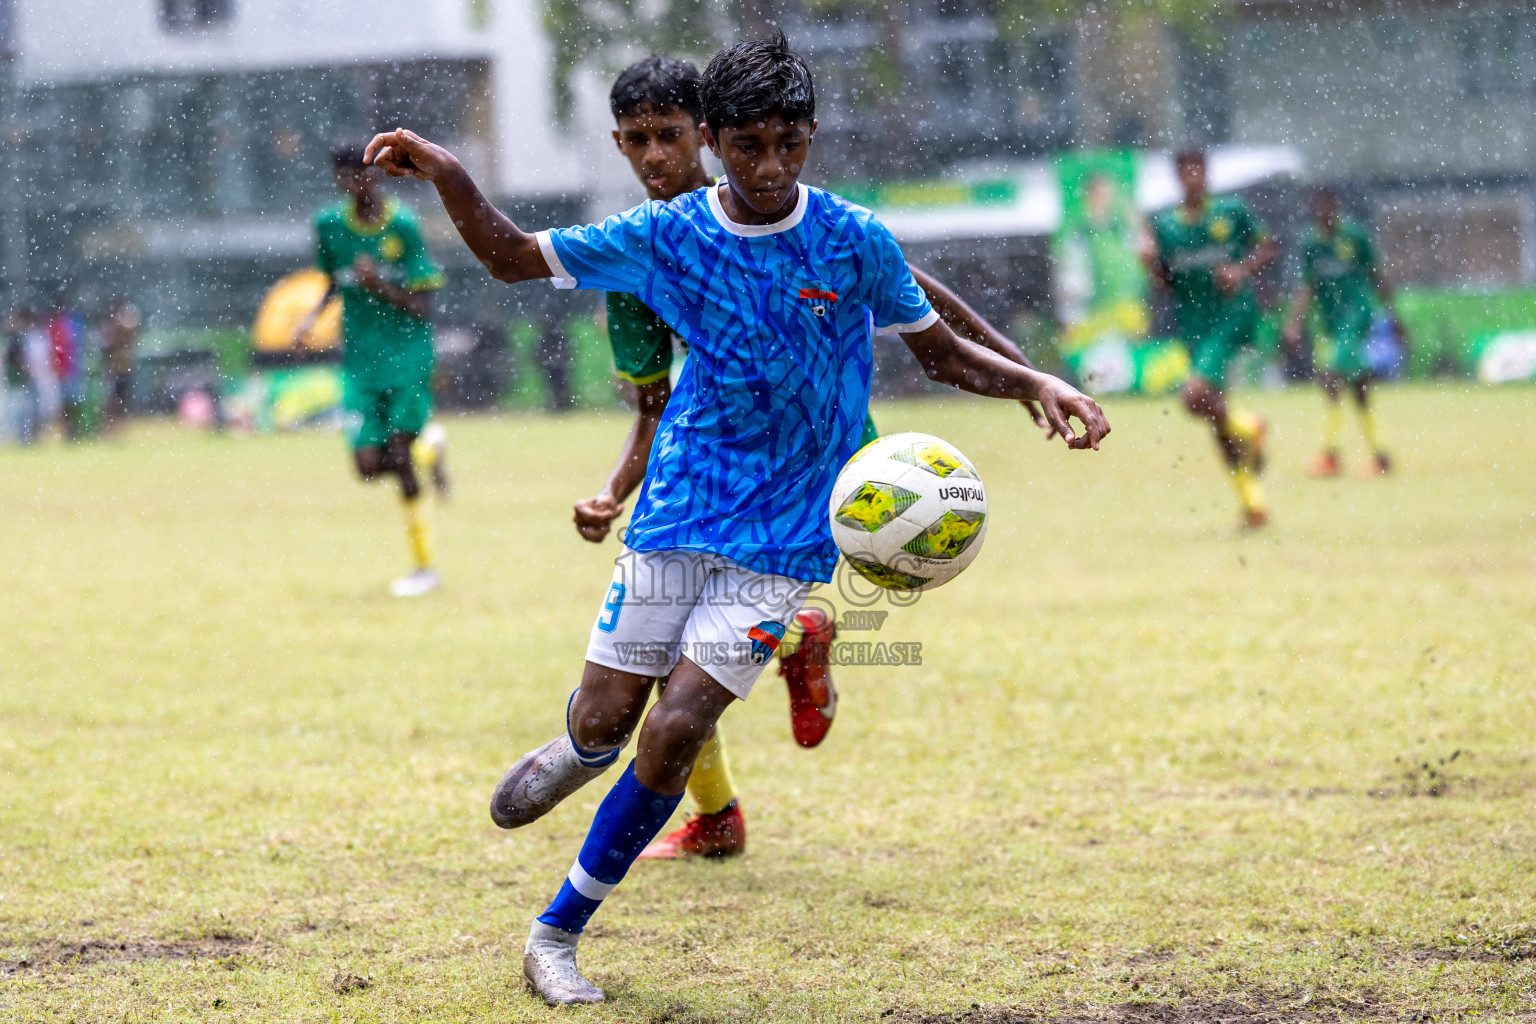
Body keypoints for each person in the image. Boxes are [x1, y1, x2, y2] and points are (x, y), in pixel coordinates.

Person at [365, 31, 1108, 1006]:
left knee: (674, 732)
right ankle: (582, 751)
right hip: (679, 513)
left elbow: (941, 348)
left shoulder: (850, 236)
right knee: (606, 722)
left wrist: (1031, 383)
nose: (771, 167)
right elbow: (508, 257)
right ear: (714, 140)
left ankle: (556, 934)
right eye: (749, 145)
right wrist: (451, 172)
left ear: (809, 137)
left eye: (790, 144)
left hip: (790, 534)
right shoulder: (668, 237)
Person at [580, 55, 1061, 861]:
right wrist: (613, 492)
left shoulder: (804, 222)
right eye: (638, 141)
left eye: (670, 136)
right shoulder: (632, 258)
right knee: (667, 676)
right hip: (721, 481)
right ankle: (729, 791)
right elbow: (653, 406)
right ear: (620, 146)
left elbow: (923, 299)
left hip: (828, 465)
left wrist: (1028, 378)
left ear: (704, 136)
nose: (656, 156)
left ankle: (769, 698)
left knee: (681, 675)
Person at [297, 140, 451, 598]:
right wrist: (312, 315)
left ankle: (425, 568)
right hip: (361, 360)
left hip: (405, 356)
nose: (353, 183)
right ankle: (431, 450)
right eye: (344, 176)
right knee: (366, 467)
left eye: (360, 174)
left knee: (398, 458)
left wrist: (380, 285)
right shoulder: (328, 225)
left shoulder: (403, 226)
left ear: (376, 176)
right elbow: (331, 280)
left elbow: (424, 306)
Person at [1143, 146, 1278, 529]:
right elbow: (1166, 284)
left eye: (1197, 170)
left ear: (1206, 173)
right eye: (1185, 171)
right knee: (1215, 420)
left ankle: (1251, 425)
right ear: (1177, 176)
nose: (1192, 178)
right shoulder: (1166, 226)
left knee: (1193, 397)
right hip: (1194, 324)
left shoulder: (1231, 213)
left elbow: (1268, 247)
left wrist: (1240, 269)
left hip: (1231, 315)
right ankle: (1253, 504)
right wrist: (1150, 262)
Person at [1283, 187, 1396, 477]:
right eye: (1318, 205)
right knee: (1356, 388)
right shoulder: (1310, 243)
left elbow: (1377, 274)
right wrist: (1294, 323)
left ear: (1336, 205)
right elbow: (1306, 286)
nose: (1323, 211)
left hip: (1357, 315)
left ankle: (1330, 455)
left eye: (1328, 205)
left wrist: (1392, 314)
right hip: (1331, 322)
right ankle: (1380, 455)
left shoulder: (1354, 235)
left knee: (1332, 377)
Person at [101, 298, 140, 436]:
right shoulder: (112, 327)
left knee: (120, 399)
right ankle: (112, 428)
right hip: (115, 369)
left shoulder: (120, 326)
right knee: (114, 400)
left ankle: (117, 428)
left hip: (121, 368)